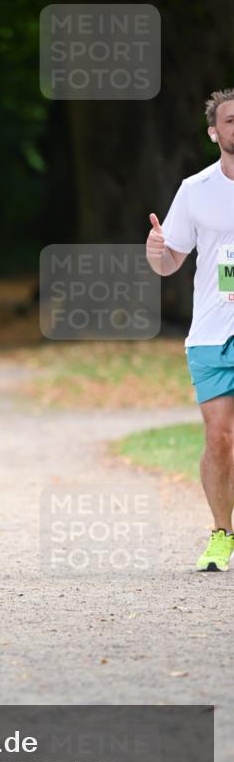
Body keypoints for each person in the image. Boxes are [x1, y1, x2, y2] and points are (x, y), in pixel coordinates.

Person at [146, 88, 234, 572]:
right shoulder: (195, 189)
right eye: (230, 120)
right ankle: (222, 534)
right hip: (211, 333)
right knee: (219, 437)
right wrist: (156, 252)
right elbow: (169, 262)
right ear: (214, 132)